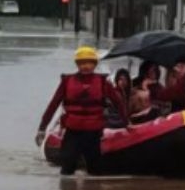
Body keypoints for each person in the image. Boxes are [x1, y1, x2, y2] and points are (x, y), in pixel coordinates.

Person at [37, 47, 129, 175]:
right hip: (73, 132)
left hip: (93, 133)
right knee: (67, 168)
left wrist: (126, 123)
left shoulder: (103, 83)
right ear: (77, 64)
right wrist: (42, 128)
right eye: (82, 63)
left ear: (95, 64)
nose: (86, 66)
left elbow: (118, 103)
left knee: (95, 169)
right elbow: (53, 105)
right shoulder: (67, 81)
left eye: (89, 63)